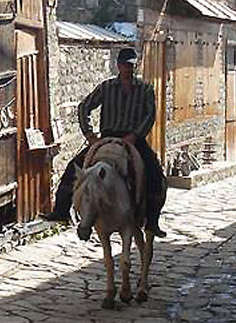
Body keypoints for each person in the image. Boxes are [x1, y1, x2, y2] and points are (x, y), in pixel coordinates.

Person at [42, 46, 167, 237]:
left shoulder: (145, 89)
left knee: (154, 172)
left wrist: (135, 135)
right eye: (124, 65)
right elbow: (84, 107)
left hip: (134, 138)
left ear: (136, 66)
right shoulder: (106, 87)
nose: (127, 69)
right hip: (108, 137)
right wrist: (90, 136)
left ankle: (152, 221)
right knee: (73, 168)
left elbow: (149, 115)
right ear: (118, 65)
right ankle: (61, 210)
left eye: (131, 66)